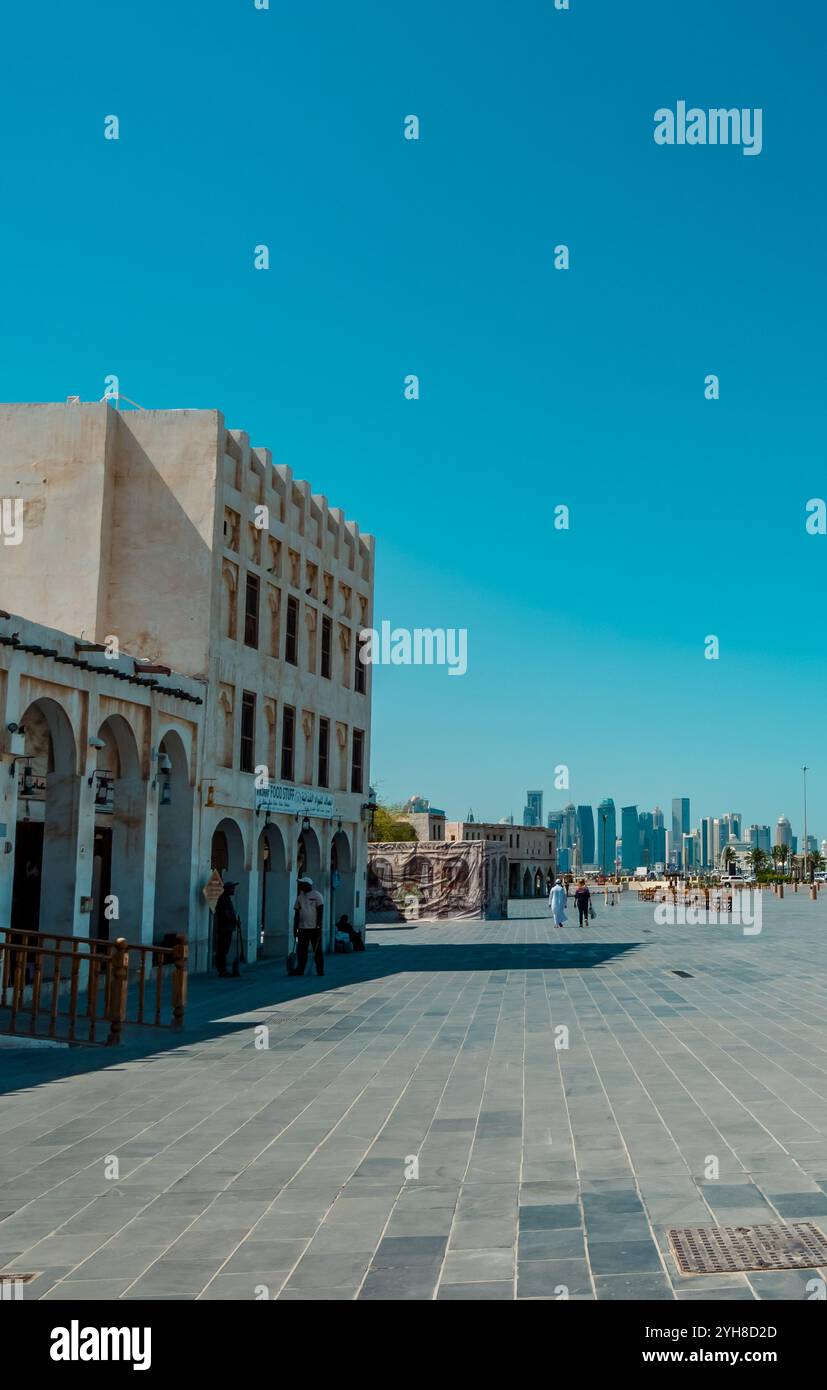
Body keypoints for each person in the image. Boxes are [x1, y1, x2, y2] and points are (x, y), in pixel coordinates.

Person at [292, 875, 325, 976]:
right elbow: (297, 914)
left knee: (317, 950)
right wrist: (295, 928)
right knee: (301, 950)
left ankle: (320, 970)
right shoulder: (300, 898)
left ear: (308, 885)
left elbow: (320, 913)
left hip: (314, 928)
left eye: (302, 884)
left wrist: (319, 927)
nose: (300, 886)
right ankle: (300, 969)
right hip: (302, 928)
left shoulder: (317, 896)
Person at [214, 881, 240, 977]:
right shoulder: (223, 899)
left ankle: (223, 969)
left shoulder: (226, 899)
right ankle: (222, 970)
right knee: (222, 950)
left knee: (224, 950)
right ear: (227, 889)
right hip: (224, 928)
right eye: (232, 888)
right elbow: (226, 914)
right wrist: (234, 921)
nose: (233, 890)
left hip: (227, 928)